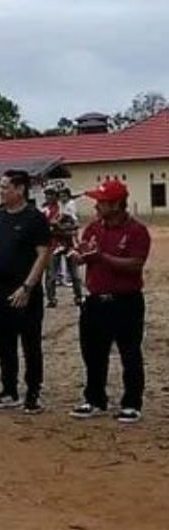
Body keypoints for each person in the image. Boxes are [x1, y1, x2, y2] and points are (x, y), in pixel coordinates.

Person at [68, 180, 151, 423]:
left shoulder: (136, 231)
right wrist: (79, 256)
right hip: (95, 300)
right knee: (92, 352)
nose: (97, 206)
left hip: (126, 301)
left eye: (102, 202)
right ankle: (94, 398)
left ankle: (131, 403)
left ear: (116, 204)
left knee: (130, 353)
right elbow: (86, 257)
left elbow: (136, 264)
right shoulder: (93, 228)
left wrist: (102, 257)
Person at [0, 170, 52, 414]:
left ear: (20, 189)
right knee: (4, 343)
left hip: (24, 290)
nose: (0, 191)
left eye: (5, 187)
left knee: (30, 343)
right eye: (0, 186)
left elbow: (43, 254)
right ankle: (9, 389)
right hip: (0, 288)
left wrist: (28, 286)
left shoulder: (34, 218)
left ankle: (33, 391)